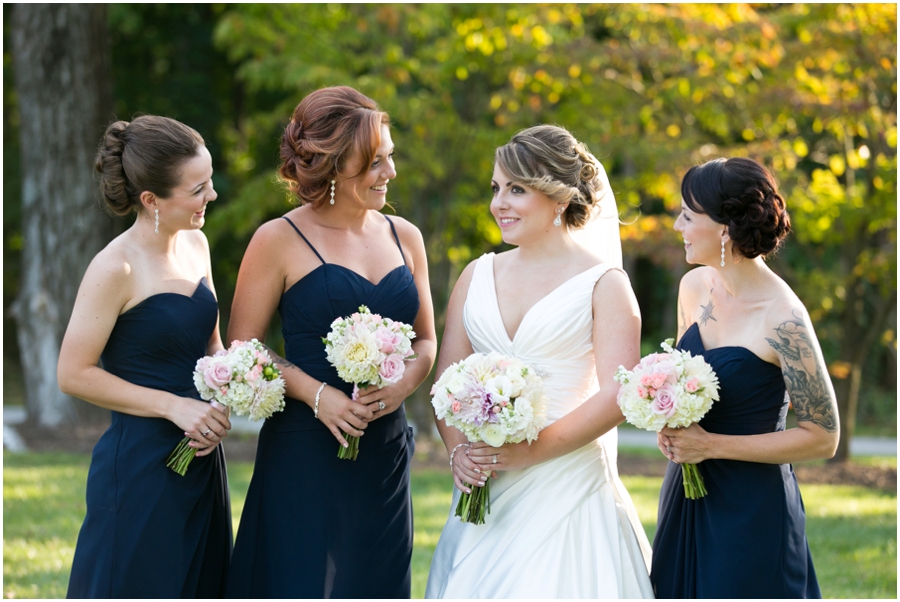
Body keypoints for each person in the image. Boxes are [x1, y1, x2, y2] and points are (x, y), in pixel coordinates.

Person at [224, 86, 437, 598]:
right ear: (334, 167)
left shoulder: (403, 235)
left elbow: (427, 340)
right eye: (374, 162)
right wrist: (317, 396)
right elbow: (243, 347)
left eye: (390, 157)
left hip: (384, 451)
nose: (390, 173)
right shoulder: (277, 239)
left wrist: (402, 385)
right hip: (305, 449)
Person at [425, 124, 654, 598]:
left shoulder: (605, 284)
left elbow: (616, 397)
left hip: (566, 483)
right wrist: (458, 454)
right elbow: (446, 382)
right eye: (495, 188)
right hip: (484, 482)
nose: (498, 203)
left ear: (558, 199)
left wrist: (530, 452)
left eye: (516, 189)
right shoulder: (477, 274)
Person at [59, 116, 232, 598]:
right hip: (141, 467)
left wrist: (231, 387)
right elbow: (73, 374)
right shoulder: (115, 267)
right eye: (198, 189)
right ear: (152, 200)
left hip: (201, 459)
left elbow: (211, 347)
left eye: (210, 181)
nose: (212, 197)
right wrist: (174, 406)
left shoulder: (197, 246)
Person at [651, 157, 838, 598]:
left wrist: (711, 446)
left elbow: (822, 436)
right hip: (686, 494)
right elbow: (684, 380)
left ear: (723, 229)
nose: (677, 225)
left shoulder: (784, 318)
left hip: (753, 507)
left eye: (687, 215)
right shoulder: (693, 288)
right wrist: (670, 420)